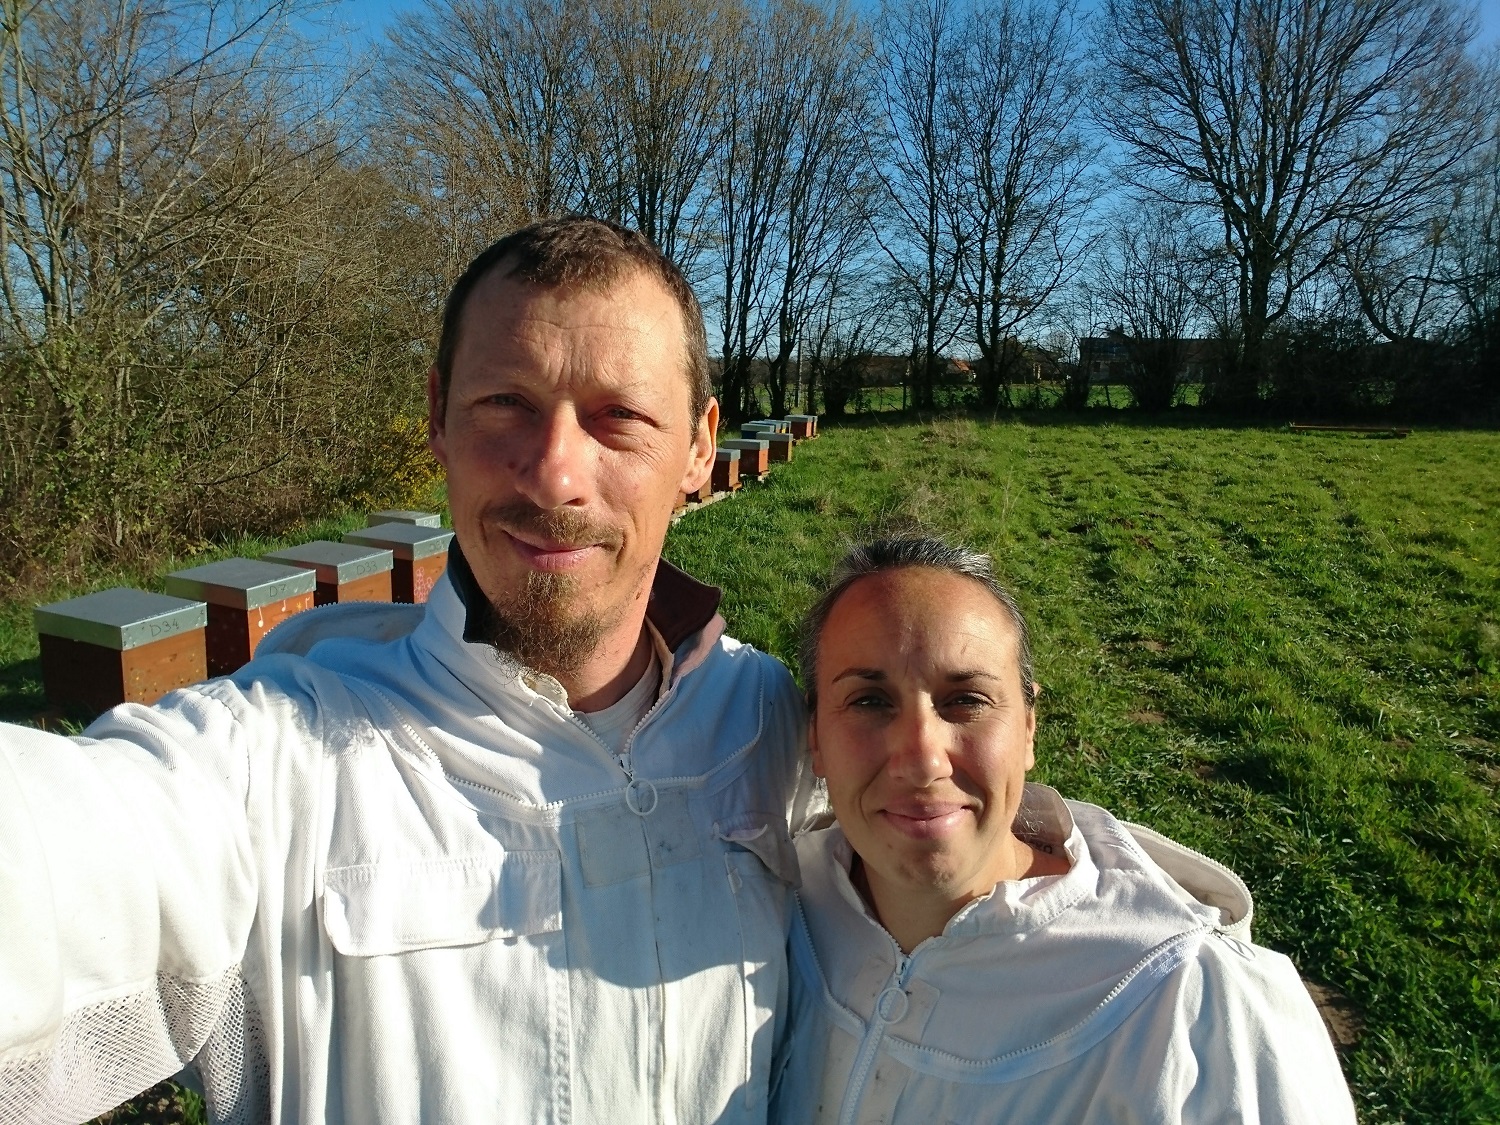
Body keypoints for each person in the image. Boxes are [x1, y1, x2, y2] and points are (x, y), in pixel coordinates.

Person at [0, 217, 821, 1124]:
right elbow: (52, 853)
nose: (554, 476)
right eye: (505, 402)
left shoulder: (770, 718)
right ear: (437, 415)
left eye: (617, 415)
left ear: (701, 446)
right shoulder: (281, 757)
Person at [769, 537, 1356, 1124]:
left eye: (966, 700)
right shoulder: (772, 905)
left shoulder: (1191, 1006)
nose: (923, 759)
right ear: (815, 735)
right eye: (869, 701)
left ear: (1028, 727)